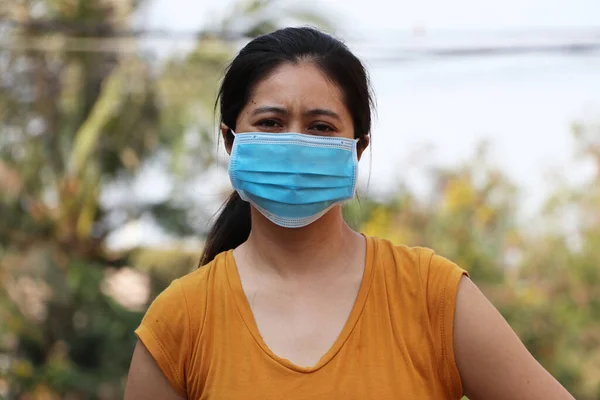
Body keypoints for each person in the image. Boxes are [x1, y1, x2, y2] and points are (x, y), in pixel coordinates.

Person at [124, 27, 574, 400]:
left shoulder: (431, 295)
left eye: (321, 127)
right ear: (230, 141)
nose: (296, 143)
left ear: (357, 147)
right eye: (270, 123)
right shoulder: (179, 321)